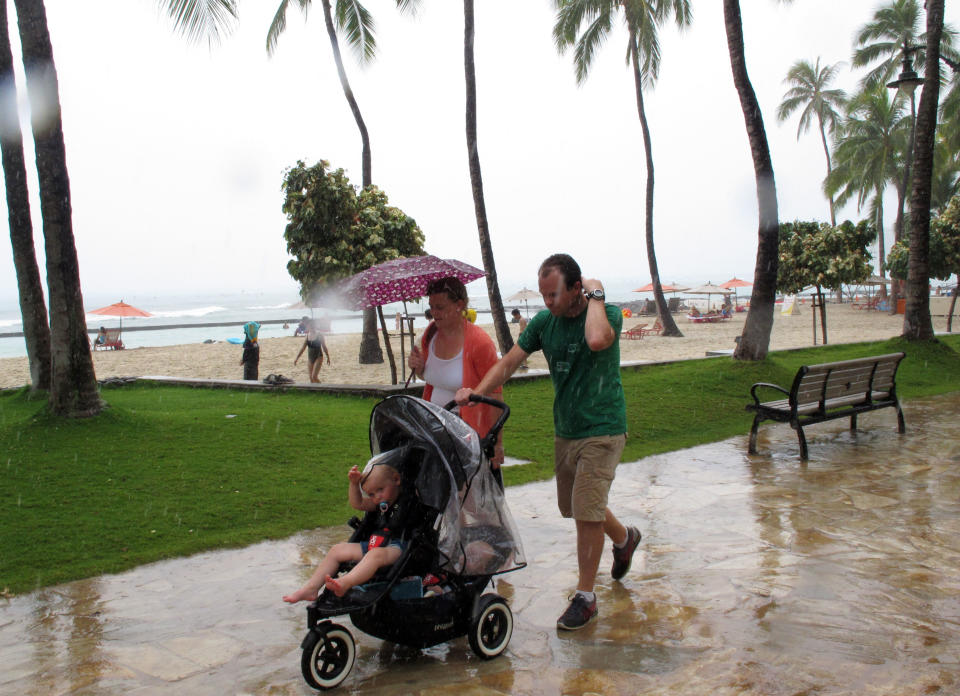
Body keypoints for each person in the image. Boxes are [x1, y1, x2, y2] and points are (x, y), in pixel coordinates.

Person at [455, 253, 641, 631]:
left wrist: (598, 294)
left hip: (603, 427)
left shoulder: (609, 315)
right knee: (575, 506)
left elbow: (596, 338)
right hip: (566, 428)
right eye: (543, 295)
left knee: (587, 510)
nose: (547, 303)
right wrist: (477, 391)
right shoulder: (543, 323)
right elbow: (508, 362)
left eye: (554, 294)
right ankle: (624, 539)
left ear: (576, 288)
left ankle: (586, 597)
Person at [283, 452, 411, 602]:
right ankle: (310, 589)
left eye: (380, 490)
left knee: (374, 555)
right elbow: (357, 503)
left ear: (396, 480)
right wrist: (354, 484)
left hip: (399, 546)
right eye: (371, 494)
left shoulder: (409, 498)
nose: (377, 497)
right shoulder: (378, 504)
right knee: (337, 550)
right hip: (377, 543)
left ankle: (345, 583)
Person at [408, 277, 504, 464]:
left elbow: (495, 395)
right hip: (435, 433)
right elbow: (434, 379)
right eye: (431, 307)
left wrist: (497, 443)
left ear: (459, 305)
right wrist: (419, 369)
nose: (434, 313)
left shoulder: (479, 342)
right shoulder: (430, 334)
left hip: (470, 437)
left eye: (440, 307)